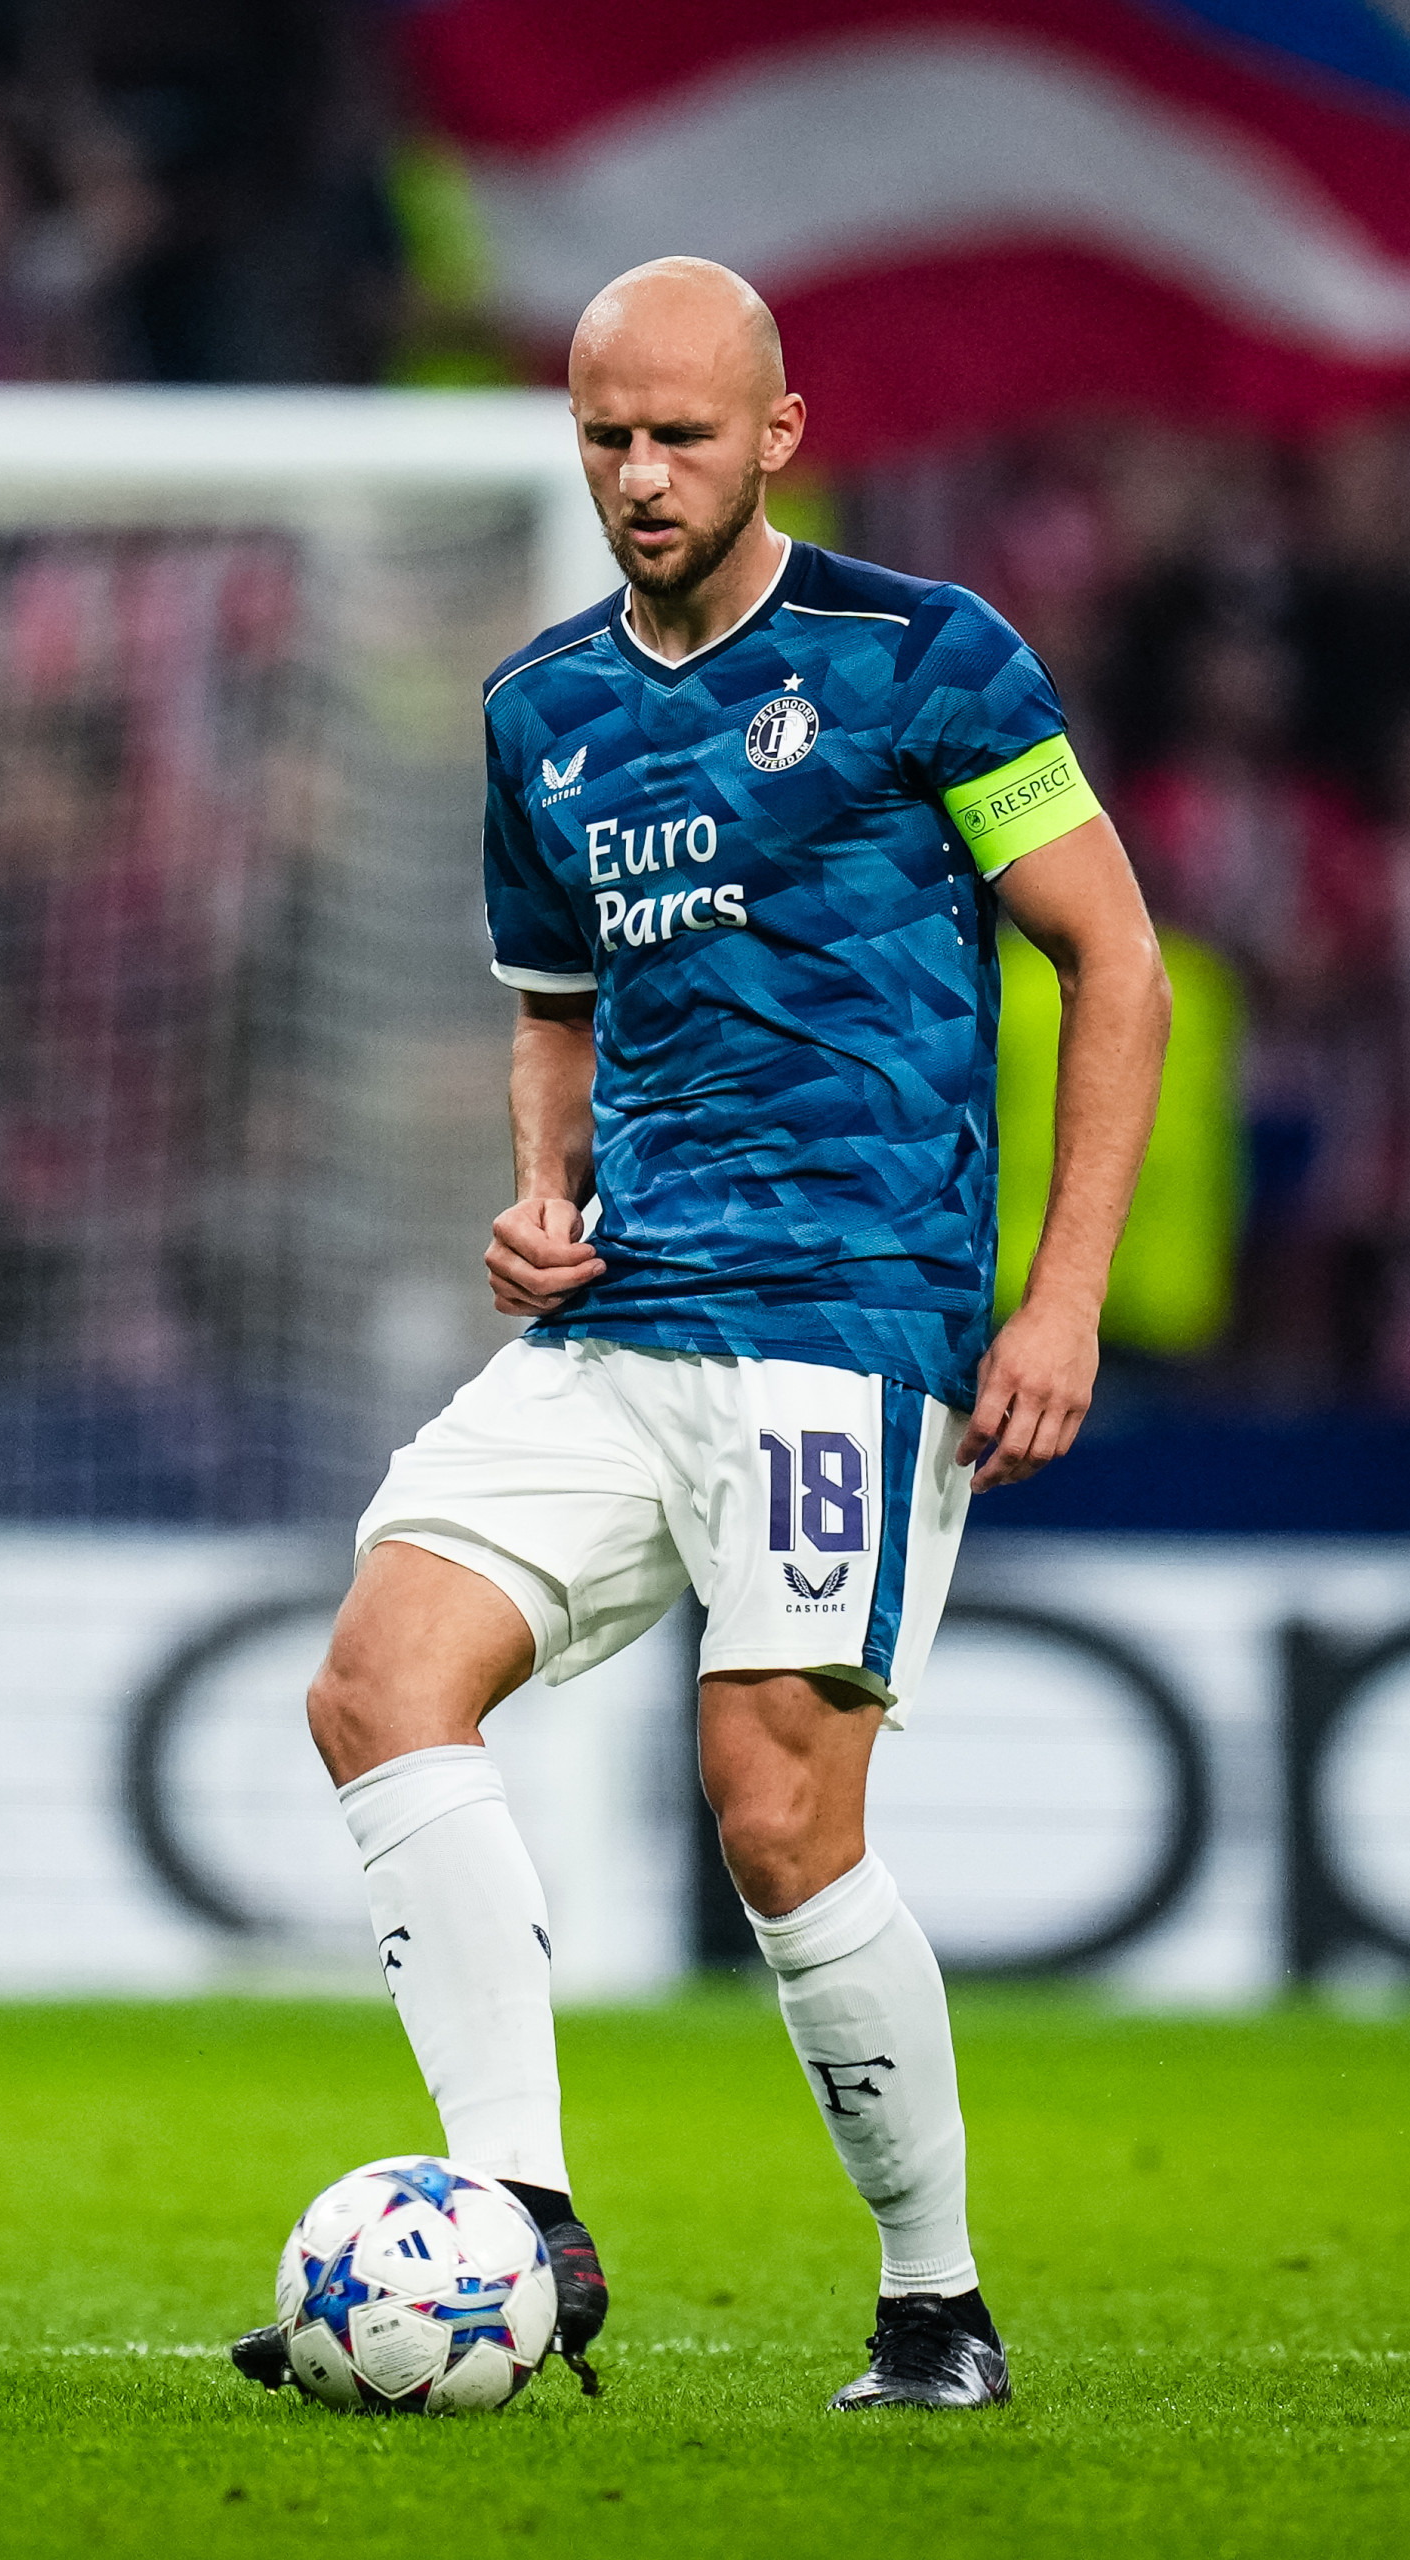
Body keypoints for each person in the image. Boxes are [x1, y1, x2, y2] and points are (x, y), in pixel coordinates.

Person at [226, 259, 1168, 2414]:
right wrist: (545, 1195)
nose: (639, 474)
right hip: (626, 1314)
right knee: (378, 1682)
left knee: (772, 1816)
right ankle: (520, 2220)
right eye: (604, 435)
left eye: (678, 434)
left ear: (776, 432)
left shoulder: (926, 661)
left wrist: (1061, 1298)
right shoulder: (541, 707)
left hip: (850, 1321)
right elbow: (554, 1003)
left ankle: (935, 2305)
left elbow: (1115, 963)